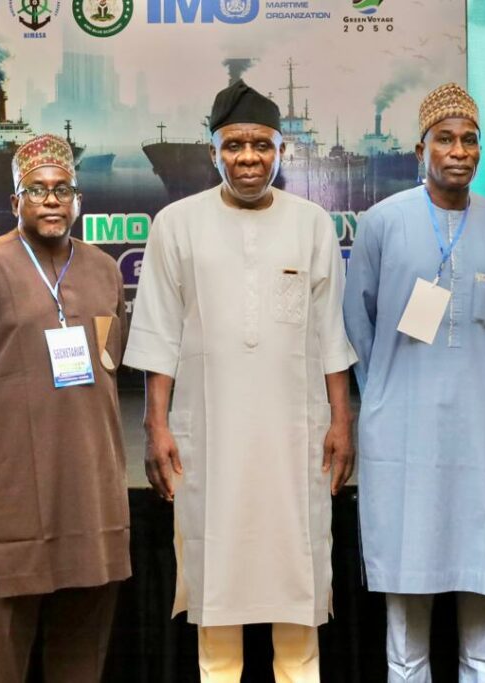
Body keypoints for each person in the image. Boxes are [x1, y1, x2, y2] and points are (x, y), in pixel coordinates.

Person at [123, 79, 356, 682]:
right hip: (209, 433)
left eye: (260, 145)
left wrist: (341, 422)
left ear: (281, 151)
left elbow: (331, 336)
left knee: (297, 577)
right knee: (216, 582)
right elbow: (157, 335)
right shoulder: (176, 224)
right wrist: (155, 427)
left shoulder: (312, 224)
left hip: (295, 436)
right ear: (213, 152)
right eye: (233, 145)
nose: (247, 158)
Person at [0, 134, 130, 682]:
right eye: (36, 190)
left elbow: (112, 361)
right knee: (4, 641)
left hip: (91, 482)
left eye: (63, 189)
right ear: (15, 201)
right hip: (16, 485)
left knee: (84, 632)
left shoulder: (104, 270)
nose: (52, 200)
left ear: (79, 199)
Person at [343, 82, 485, 682]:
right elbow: (356, 322)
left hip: (479, 437)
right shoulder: (381, 223)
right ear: (421, 149)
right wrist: (388, 392)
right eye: (445, 139)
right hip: (403, 438)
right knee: (406, 628)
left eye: (470, 140)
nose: (459, 151)